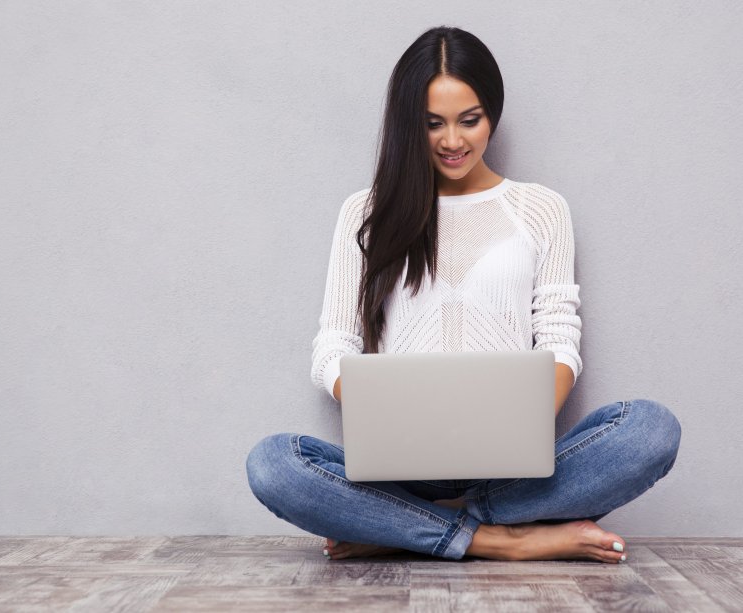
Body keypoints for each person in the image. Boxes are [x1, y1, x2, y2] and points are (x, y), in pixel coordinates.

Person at [245, 25, 681, 564]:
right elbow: (332, 348)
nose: (453, 141)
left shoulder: (541, 209)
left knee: (650, 430)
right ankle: (500, 538)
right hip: (403, 472)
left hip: (513, 468)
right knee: (272, 464)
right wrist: (393, 414)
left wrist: (517, 425)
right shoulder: (366, 213)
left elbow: (560, 339)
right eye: (433, 124)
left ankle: (407, 530)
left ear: (491, 115)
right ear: (409, 125)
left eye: (468, 120)